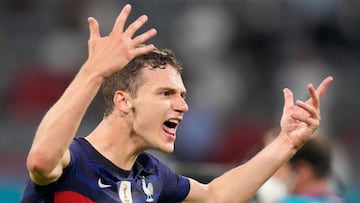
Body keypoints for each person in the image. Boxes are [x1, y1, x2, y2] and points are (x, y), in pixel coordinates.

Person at [20, 4, 333, 203]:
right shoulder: (74, 161)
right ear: (124, 101)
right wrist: (94, 71)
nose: (182, 106)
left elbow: (217, 196)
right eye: (166, 94)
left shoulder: (153, 176)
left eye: (182, 95)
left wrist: (287, 143)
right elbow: (41, 159)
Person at [279, 135, 345, 203]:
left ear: (303, 170)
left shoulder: (287, 201)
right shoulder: (340, 200)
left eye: (278, 168)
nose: (276, 176)